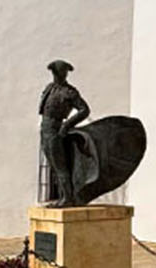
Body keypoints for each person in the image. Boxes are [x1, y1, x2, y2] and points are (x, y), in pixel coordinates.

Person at [38, 59, 89, 206]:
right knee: (53, 166)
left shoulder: (70, 92)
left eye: (61, 72)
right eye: (57, 72)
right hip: (45, 129)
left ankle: (67, 198)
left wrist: (67, 125)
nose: (60, 75)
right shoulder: (49, 88)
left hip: (55, 129)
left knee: (60, 166)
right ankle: (63, 197)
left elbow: (84, 110)